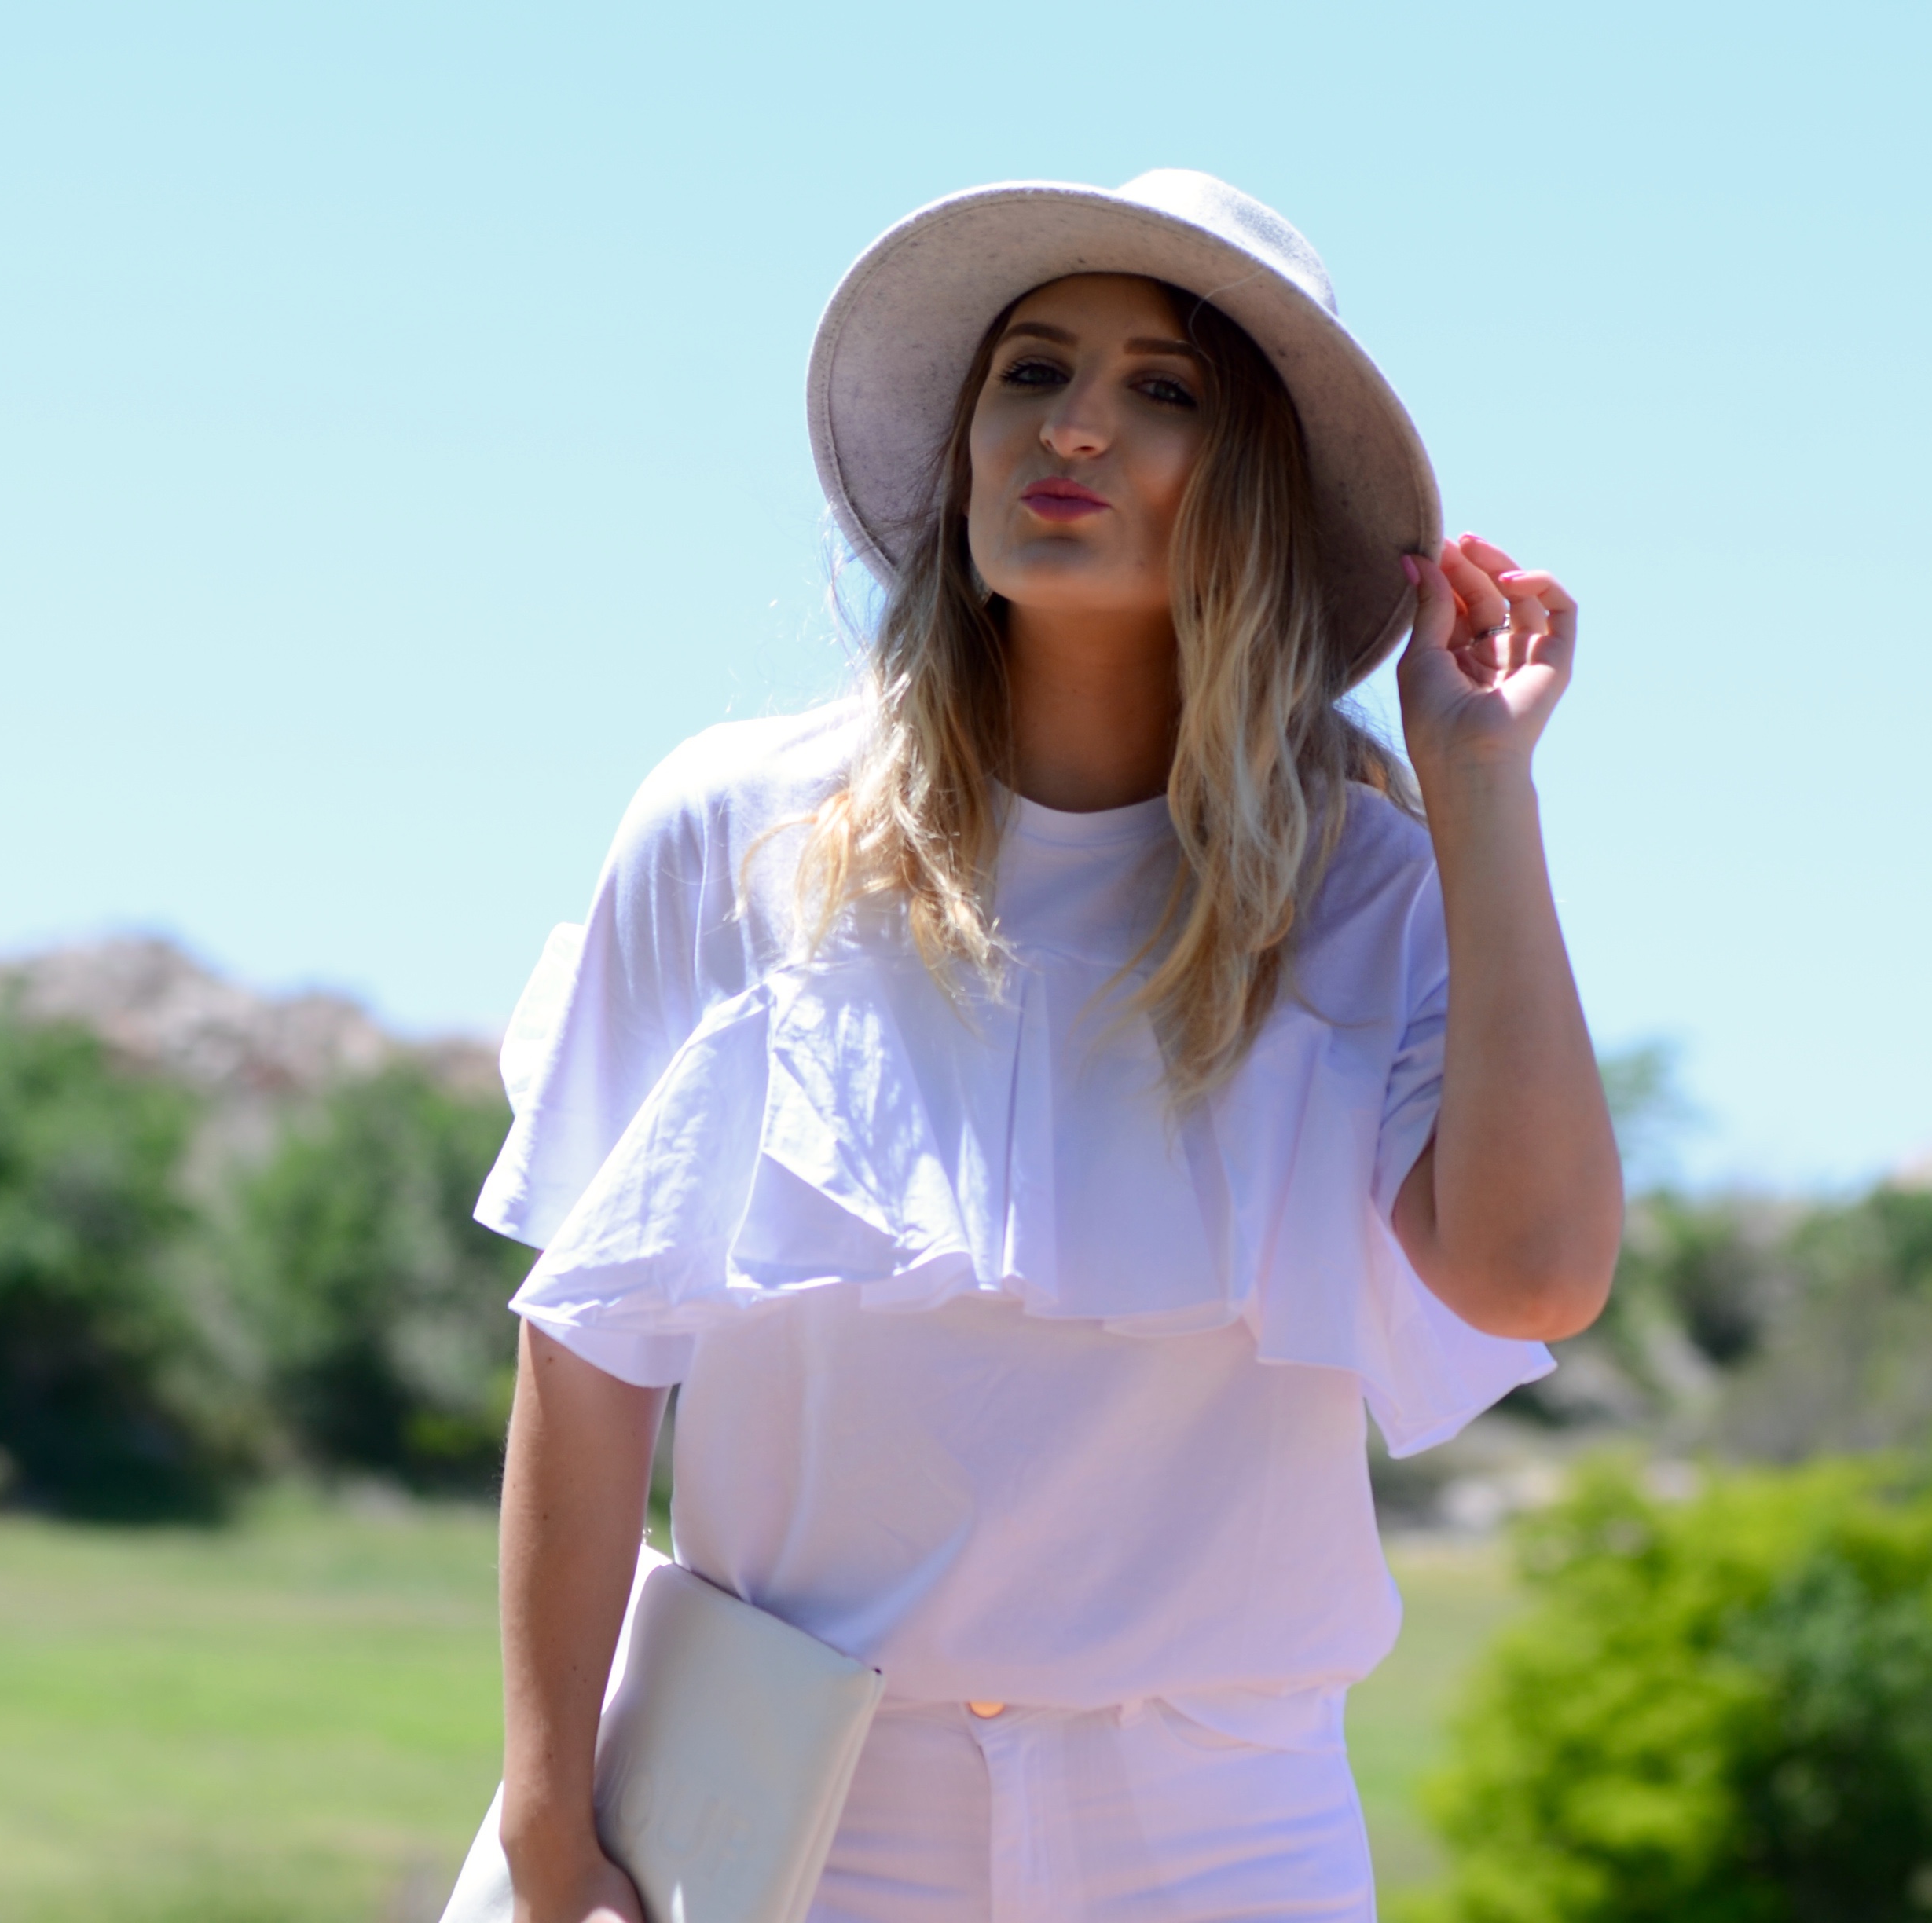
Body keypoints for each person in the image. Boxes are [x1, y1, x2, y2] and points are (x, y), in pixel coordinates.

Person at [475, 170, 1622, 1923]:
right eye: (1030, 370)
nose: (1074, 423)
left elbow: (1534, 1278)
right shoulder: (735, 828)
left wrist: (1481, 795)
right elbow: (589, 1356)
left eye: (1163, 390)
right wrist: (553, 1831)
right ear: (962, 442)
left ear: (1250, 490)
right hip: (789, 1832)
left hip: (1227, 1841)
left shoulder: (1368, 886)